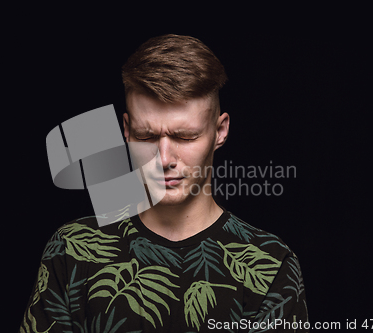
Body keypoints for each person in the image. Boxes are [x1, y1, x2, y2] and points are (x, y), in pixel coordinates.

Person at [20, 34, 309, 333]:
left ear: (220, 131)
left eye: (185, 137)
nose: (163, 157)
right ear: (126, 131)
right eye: (147, 137)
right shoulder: (71, 250)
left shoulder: (272, 264)